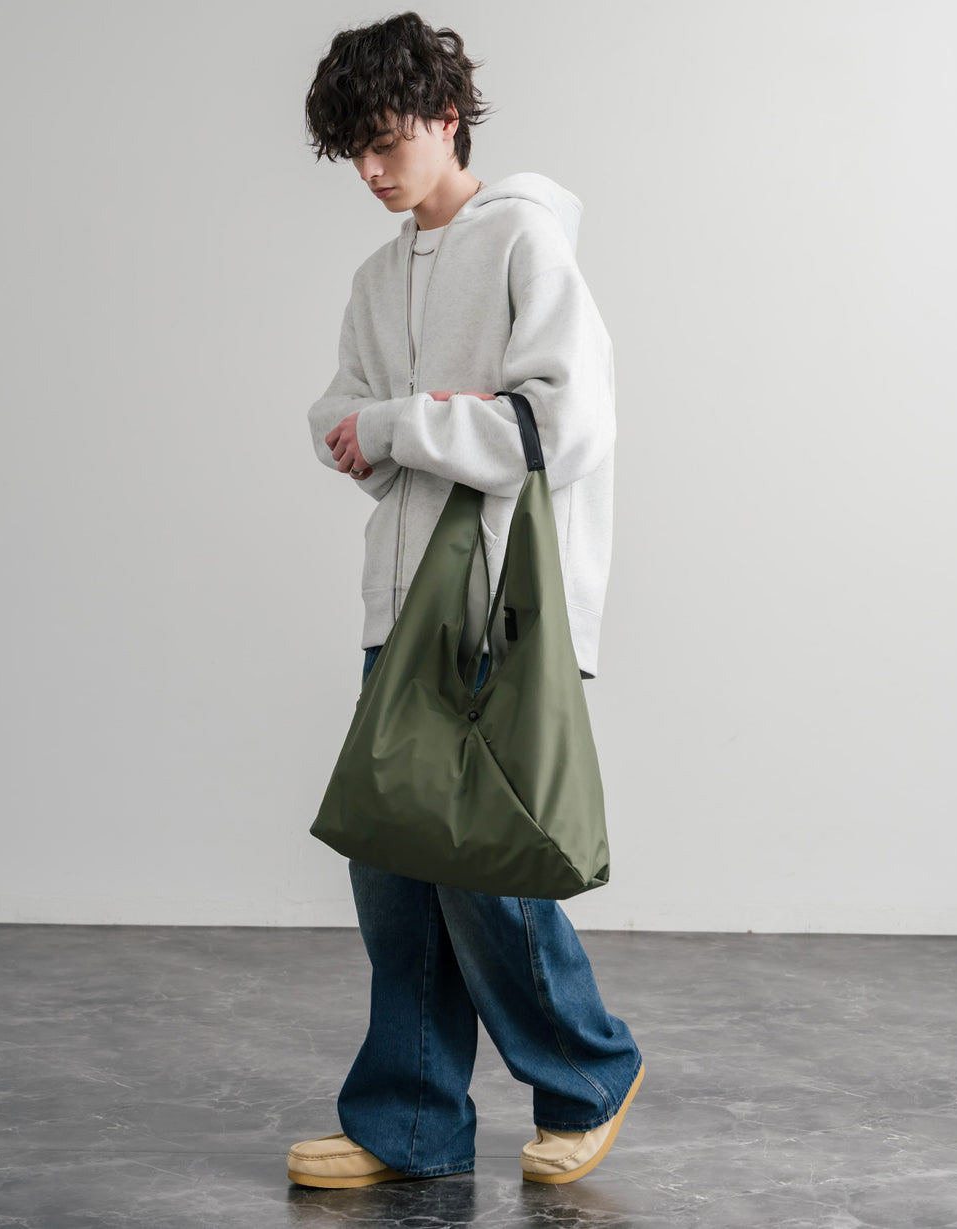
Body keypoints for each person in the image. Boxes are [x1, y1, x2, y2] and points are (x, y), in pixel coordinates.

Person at [288, 11, 642, 1188]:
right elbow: (337, 413)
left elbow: (556, 427)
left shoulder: (524, 242)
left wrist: (397, 424)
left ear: (447, 118)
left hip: (500, 606)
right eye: (353, 151)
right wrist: (380, 428)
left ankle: (589, 1071)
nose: (370, 170)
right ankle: (411, 1126)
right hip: (398, 608)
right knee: (395, 873)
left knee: (487, 866)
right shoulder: (375, 277)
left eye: (385, 141)